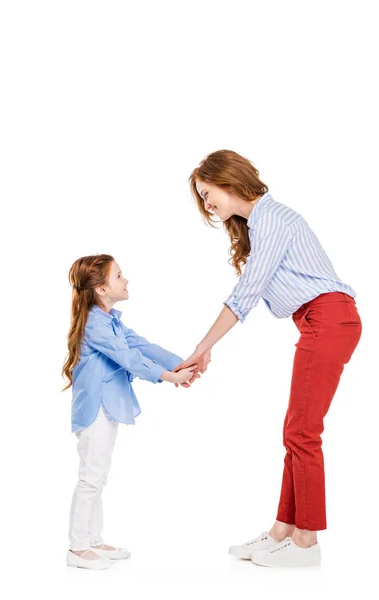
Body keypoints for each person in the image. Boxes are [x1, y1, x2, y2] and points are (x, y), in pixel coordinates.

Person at [173, 149, 362, 568]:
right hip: (321, 320)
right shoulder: (260, 224)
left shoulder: (272, 219)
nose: (207, 204)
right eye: (201, 198)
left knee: (303, 433)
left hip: (329, 318)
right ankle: (283, 531)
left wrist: (201, 350)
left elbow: (246, 295)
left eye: (208, 193)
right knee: (296, 430)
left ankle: (305, 544)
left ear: (229, 180)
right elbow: (249, 292)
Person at [62, 253, 197, 570]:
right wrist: (169, 377)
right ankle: (78, 547)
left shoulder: (111, 321)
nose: (126, 280)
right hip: (95, 408)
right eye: (119, 276)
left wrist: (184, 361)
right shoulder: (95, 324)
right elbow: (127, 358)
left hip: (106, 406)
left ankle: (92, 540)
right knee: (91, 477)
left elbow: (142, 347)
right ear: (101, 289)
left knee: (99, 475)